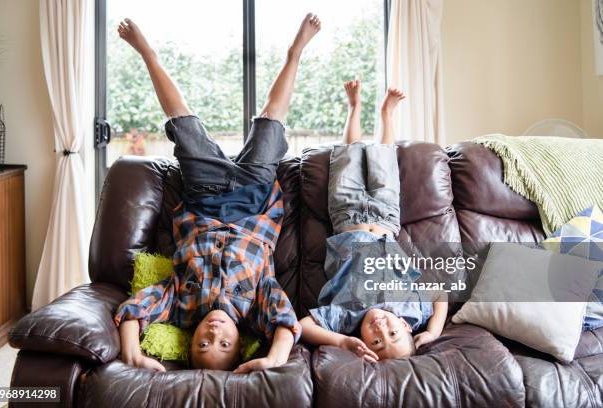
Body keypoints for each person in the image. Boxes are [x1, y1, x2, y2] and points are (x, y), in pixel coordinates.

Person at [114, 13, 321, 373]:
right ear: (242, 343)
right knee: (271, 122)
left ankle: (148, 54)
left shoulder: (179, 305)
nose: (213, 333)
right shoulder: (258, 309)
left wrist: (133, 354)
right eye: (224, 344)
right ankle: (295, 52)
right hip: (254, 200)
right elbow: (289, 324)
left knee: (184, 124)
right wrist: (271, 359)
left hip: (204, 199)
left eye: (203, 343)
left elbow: (134, 309)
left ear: (190, 338)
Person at [299, 79, 448, 361]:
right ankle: (386, 114)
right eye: (393, 334)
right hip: (386, 220)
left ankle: (353, 107)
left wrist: (343, 342)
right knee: (384, 163)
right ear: (405, 326)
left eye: (377, 342)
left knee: (348, 157)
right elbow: (440, 294)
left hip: (346, 217)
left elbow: (304, 326)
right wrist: (433, 332)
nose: (381, 330)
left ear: (364, 341)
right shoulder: (413, 311)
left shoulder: (347, 318)